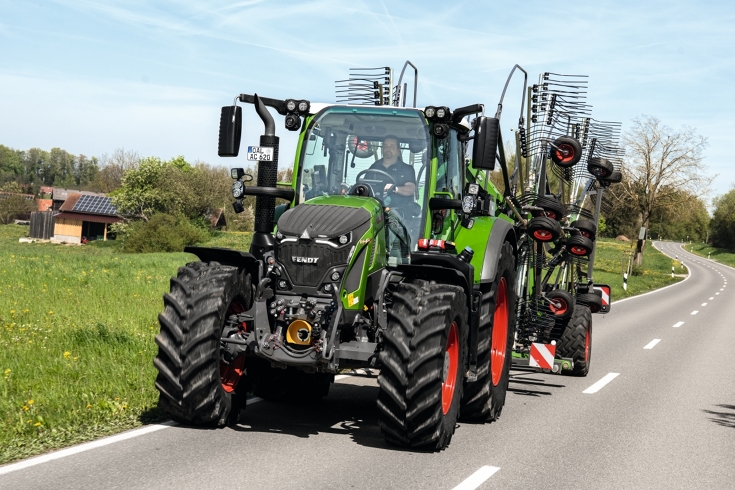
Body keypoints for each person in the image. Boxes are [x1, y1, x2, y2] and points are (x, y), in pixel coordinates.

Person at [367, 135, 416, 215]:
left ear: (398, 151)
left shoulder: (407, 169)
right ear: (382, 149)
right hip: (374, 210)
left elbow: (410, 189)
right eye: (385, 146)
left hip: (399, 214)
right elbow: (366, 184)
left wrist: (395, 189)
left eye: (392, 146)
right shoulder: (374, 167)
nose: (388, 149)